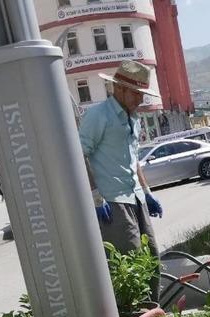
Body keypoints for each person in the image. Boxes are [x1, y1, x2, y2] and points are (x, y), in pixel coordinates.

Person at [80, 59, 163, 300]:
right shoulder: (98, 115)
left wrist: (147, 192)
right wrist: (96, 196)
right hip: (113, 202)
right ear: (119, 89)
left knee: (152, 258)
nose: (140, 99)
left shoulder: (133, 118)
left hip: (136, 197)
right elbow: (79, 154)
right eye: (136, 93)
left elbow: (133, 158)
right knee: (131, 263)